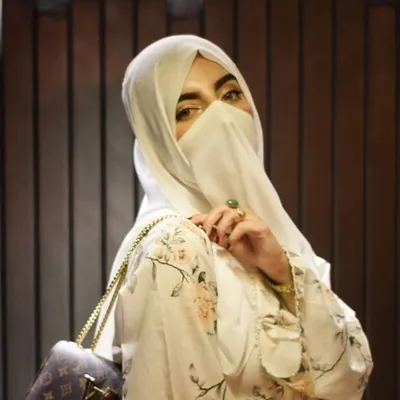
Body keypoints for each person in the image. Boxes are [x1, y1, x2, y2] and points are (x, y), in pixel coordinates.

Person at [95, 35, 372, 400]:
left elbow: (349, 379)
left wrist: (283, 272)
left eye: (229, 95)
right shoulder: (175, 248)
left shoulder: (275, 241)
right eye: (186, 110)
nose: (220, 117)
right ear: (156, 137)